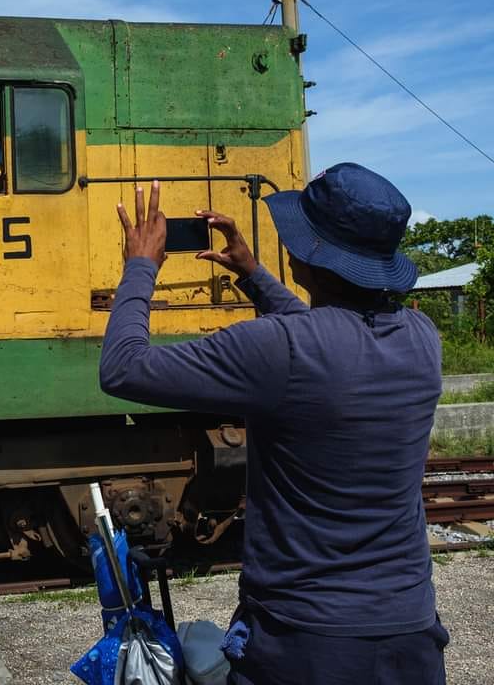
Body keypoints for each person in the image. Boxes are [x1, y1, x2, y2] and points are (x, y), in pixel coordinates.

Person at [99, 163, 447, 684]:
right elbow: (327, 337)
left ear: (307, 255)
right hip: (410, 639)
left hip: (303, 645)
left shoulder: (276, 350)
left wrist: (141, 267)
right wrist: (254, 276)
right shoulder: (422, 339)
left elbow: (123, 368)